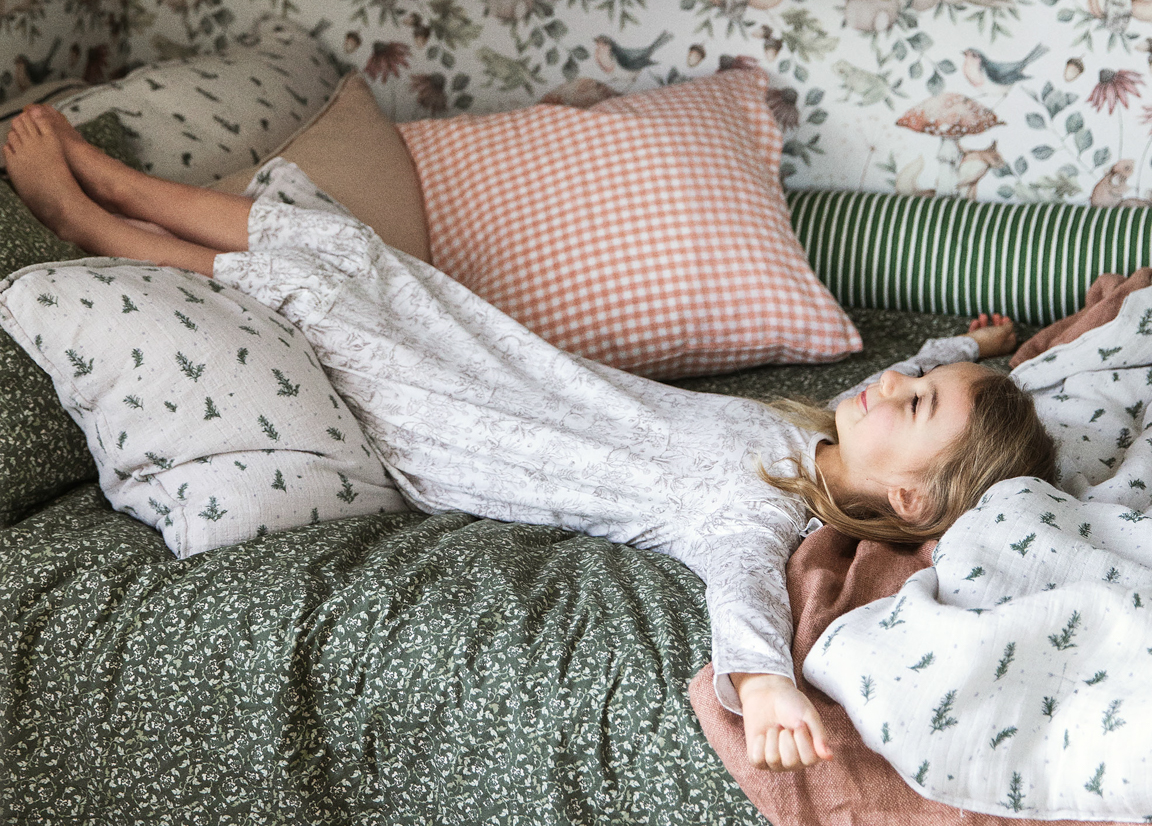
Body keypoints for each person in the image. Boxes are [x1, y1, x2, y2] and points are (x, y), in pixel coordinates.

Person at [3, 105, 1056, 776]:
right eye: (915, 385)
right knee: (347, 249)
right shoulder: (827, 434)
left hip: (458, 429)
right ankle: (123, 186)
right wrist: (971, 347)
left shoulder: (760, 508)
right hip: (506, 369)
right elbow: (886, 380)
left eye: (919, 409)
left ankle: (89, 220)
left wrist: (766, 683)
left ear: (910, 504)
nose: (896, 391)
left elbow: (743, 592)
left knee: (318, 287)